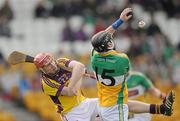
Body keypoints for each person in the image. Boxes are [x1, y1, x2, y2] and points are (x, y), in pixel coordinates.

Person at [90, 8, 175, 121]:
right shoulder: (122, 59)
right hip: (115, 108)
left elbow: (102, 38)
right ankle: (162, 109)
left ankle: (162, 109)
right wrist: (120, 21)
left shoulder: (94, 57)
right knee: (124, 104)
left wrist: (120, 20)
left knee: (127, 103)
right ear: (110, 44)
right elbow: (106, 38)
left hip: (104, 101)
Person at [33, 53, 98, 121]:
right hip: (72, 113)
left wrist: (76, 77)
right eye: (48, 65)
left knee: (107, 106)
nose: (52, 65)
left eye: (51, 61)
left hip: (84, 102)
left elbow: (80, 66)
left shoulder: (61, 61)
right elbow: (71, 92)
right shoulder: (46, 83)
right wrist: (79, 74)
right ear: (42, 70)